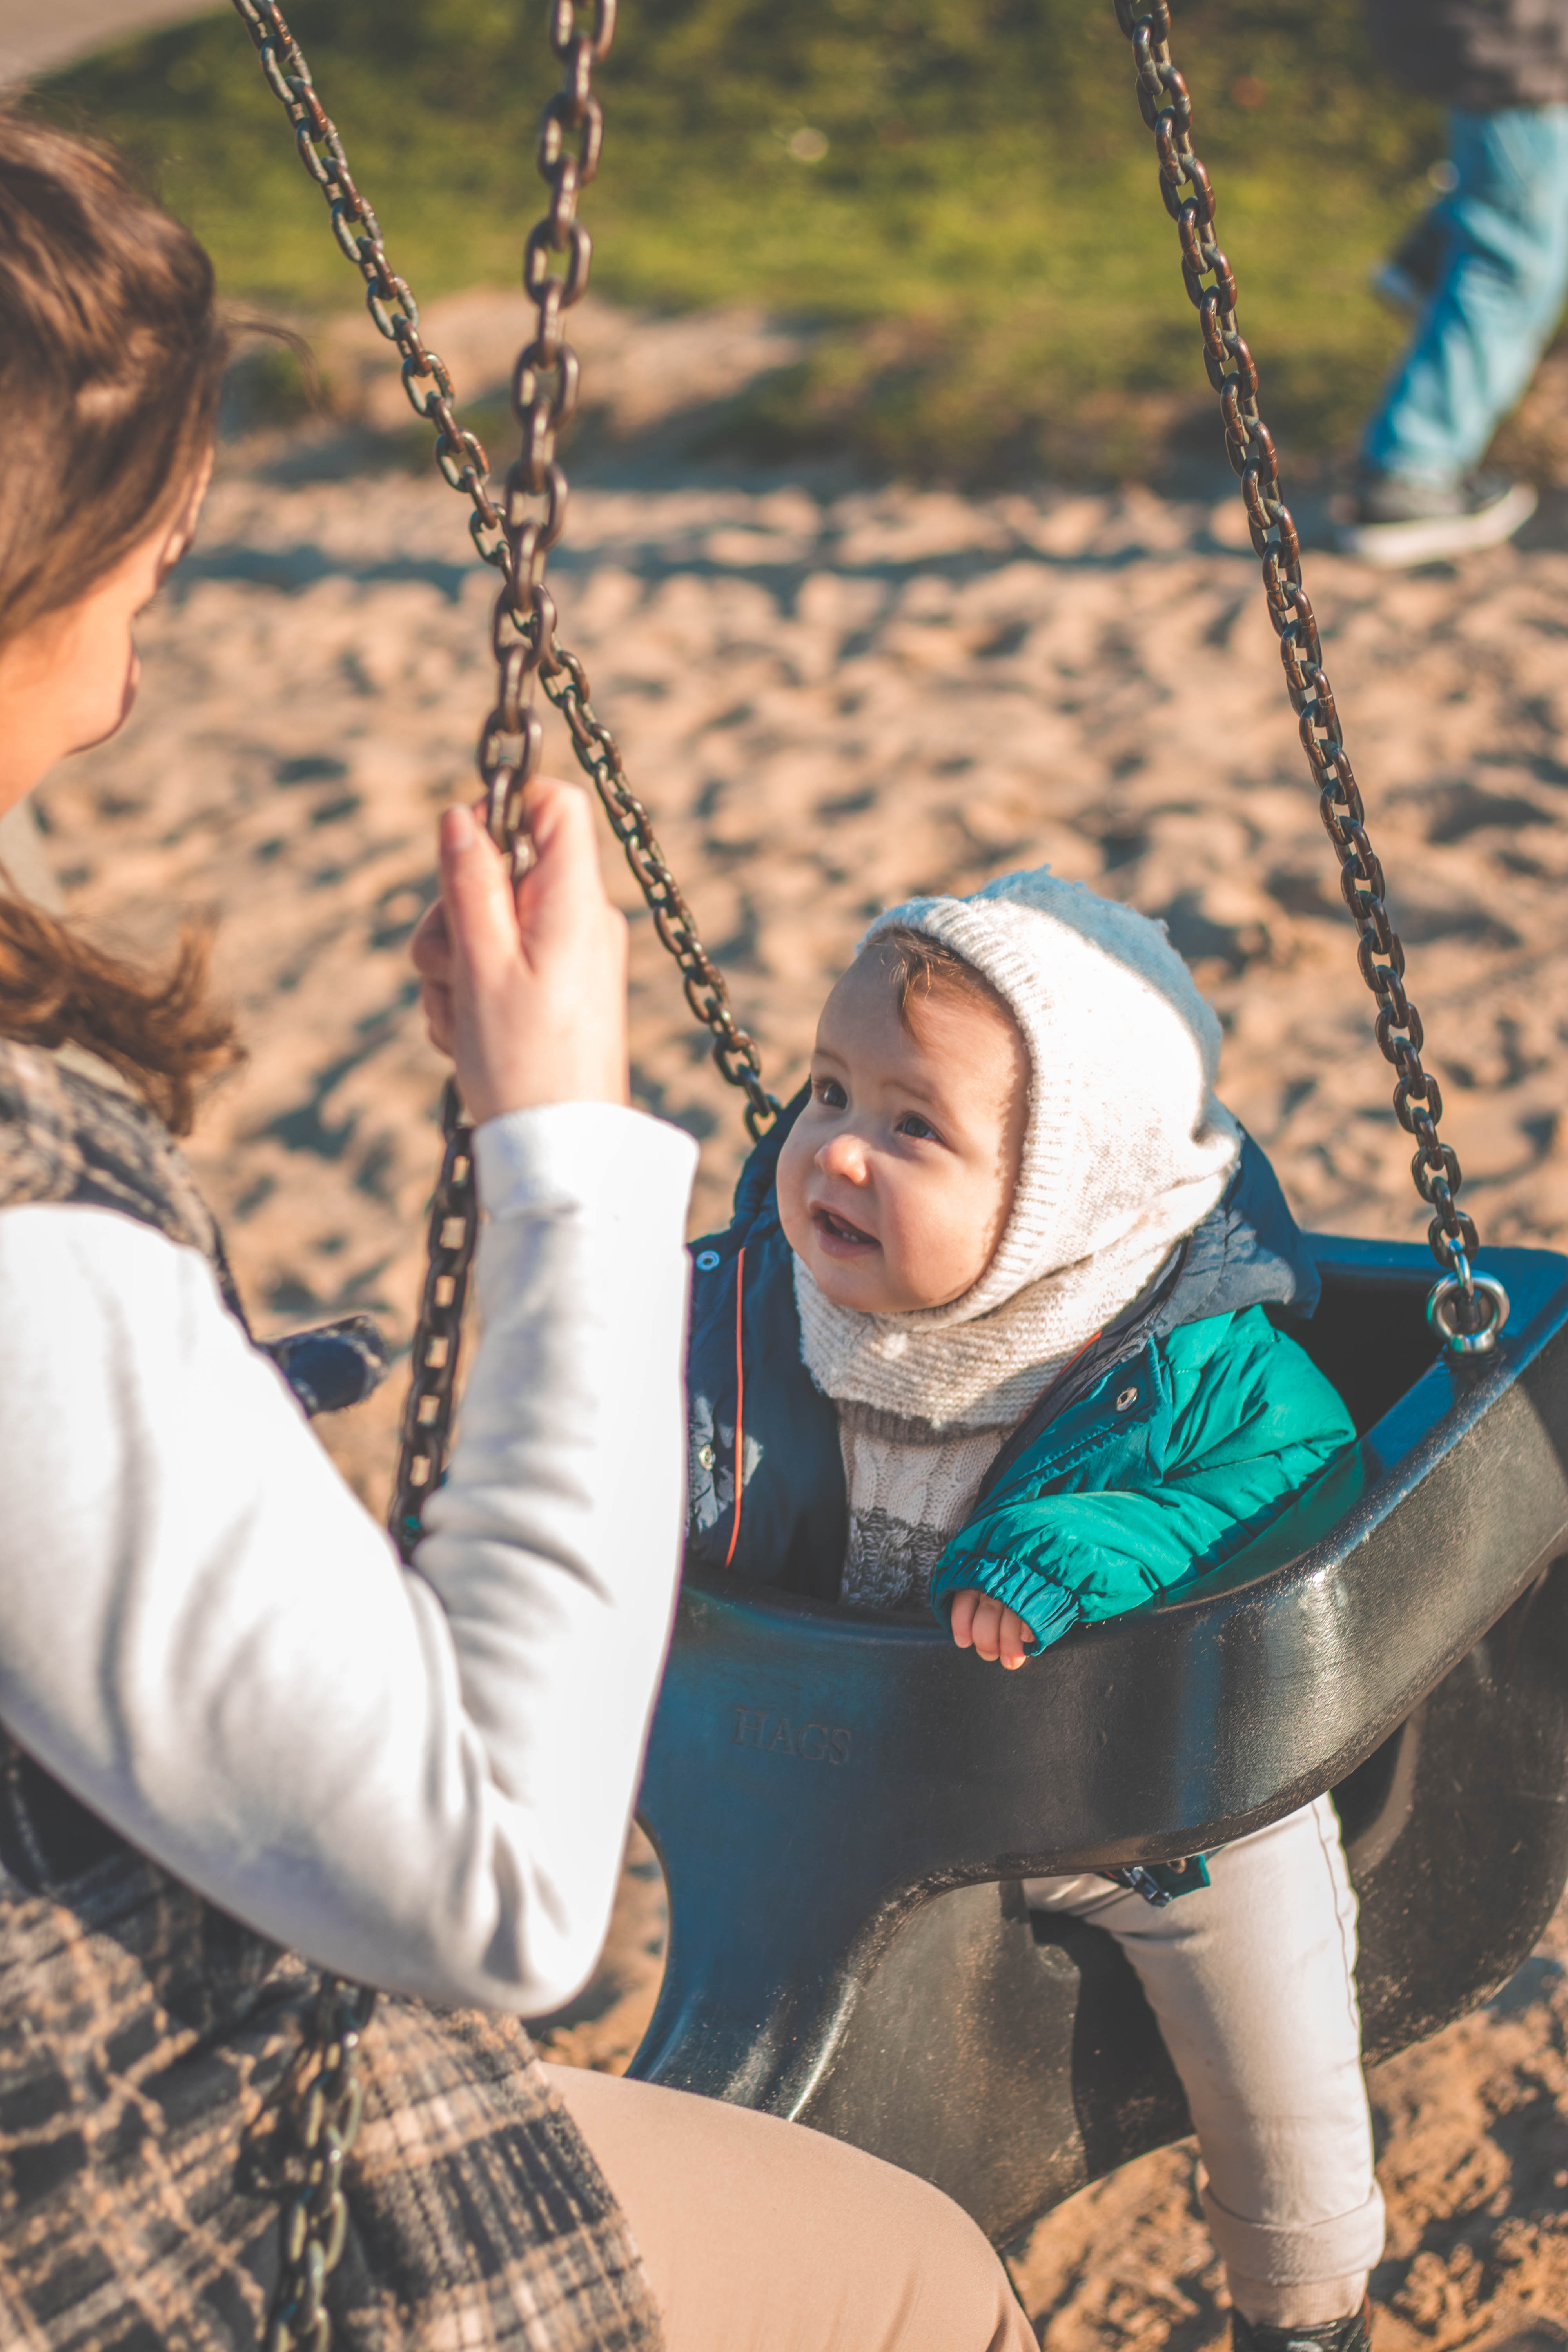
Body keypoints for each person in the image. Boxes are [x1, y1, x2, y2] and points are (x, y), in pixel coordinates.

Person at [0, 112, 1041, 2352]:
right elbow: (496, 1889)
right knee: (916, 2283)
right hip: (108, 2218)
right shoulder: (23, 1242)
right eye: (147, 489)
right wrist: (560, 1135)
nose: (192, 519)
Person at [685, 871, 1381, 2352]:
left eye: (911, 1123)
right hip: (880, 1791)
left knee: (1283, 2070)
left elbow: (1308, 1473)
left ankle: (1305, 2313)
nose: (836, 1152)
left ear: (1067, 1191)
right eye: (827, 1091)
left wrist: (1106, 1536)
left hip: (1156, 1811)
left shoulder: (1189, 1348)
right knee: (790, 2106)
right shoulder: (760, 1313)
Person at [1340, 0, 1568, 565]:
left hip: (1506, 37)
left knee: (1519, 201)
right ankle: (1412, 468)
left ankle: (1430, 260)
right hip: (1510, 37)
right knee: (1513, 264)